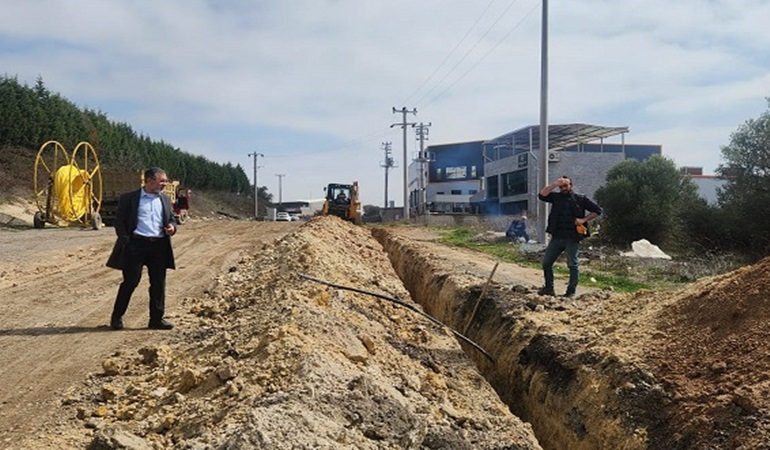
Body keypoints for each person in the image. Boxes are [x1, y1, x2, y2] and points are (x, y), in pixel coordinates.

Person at [106, 167, 178, 330]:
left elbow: (172, 219)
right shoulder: (129, 198)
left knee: (158, 283)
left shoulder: (165, 200)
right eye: (162, 181)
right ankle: (117, 318)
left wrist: (172, 228)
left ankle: (156, 319)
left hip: (159, 246)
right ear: (150, 180)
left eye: (165, 181)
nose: (165, 184)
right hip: (136, 245)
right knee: (131, 282)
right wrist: (126, 242)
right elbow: (120, 222)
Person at [537, 175, 602, 298]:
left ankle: (571, 292)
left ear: (571, 185)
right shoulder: (556, 197)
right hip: (557, 236)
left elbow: (597, 210)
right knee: (546, 263)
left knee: (572, 264)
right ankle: (549, 288)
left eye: (566, 185)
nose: (563, 188)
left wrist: (584, 219)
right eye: (561, 186)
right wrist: (554, 184)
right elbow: (542, 195)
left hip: (573, 237)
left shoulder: (580, 199)